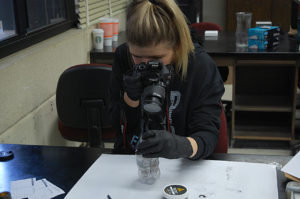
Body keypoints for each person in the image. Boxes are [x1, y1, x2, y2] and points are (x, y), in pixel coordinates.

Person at [109, 0, 224, 160]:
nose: (146, 63)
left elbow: (207, 135)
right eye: (136, 56)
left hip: (182, 164)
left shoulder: (200, 66)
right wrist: (131, 99)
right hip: (132, 160)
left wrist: (179, 145)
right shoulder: (124, 57)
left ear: (177, 45)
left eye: (156, 58)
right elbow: (116, 127)